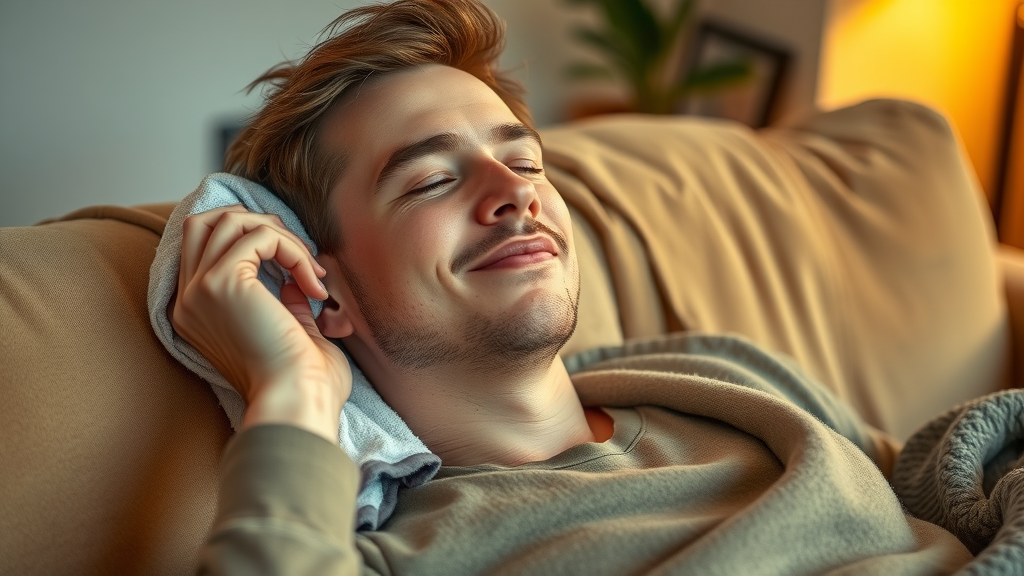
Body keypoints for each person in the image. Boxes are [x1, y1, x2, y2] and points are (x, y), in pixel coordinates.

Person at [171, 1, 975, 574]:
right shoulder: (397, 554)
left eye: (524, 162)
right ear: (324, 288)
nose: (515, 192)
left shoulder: (723, 376)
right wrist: (290, 387)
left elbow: (946, 483)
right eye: (430, 181)